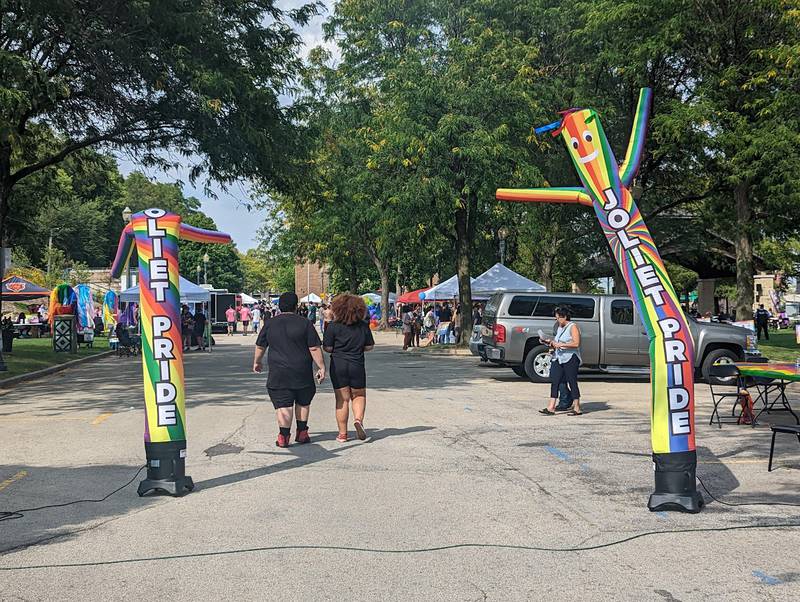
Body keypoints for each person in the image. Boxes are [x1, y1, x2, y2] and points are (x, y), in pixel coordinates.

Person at [253, 292, 326, 447]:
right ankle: (302, 433)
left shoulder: (270, 324)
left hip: (279, 371)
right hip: (302, 370)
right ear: (295, 306)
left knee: (283, 404)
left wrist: (257, 362)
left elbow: (260, 346)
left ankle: (283, 437)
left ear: (280, 306)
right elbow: (314, 347)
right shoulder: (305, 323)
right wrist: (321, 367)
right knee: (303, 401)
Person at [323, 294, 375, 442]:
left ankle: (343, 434)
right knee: (359, 395)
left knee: (342, 400)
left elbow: (327, 347)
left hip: (338, 365)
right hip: (357, 364)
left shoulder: (332, 326)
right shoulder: (363, 326)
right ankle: (358, 420)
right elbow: (369, 346)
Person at [539, 307, 583, 416]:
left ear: (565, 317)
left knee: (572, 381)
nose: (557, 320)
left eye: (559, 318)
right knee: (555, 380)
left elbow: (576, 343)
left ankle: (577, 407)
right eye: (556, 318)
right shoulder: (559, 327)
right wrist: (550, 342)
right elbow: (557, 341)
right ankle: (551, 407)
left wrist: (561, 345)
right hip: (558, 357)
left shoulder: (572, 326)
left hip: (570, 357)